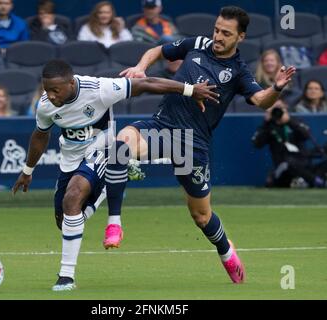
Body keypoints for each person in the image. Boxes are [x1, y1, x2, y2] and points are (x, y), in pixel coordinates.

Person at [104, 6, 296, 284]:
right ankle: (114, 223)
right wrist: (140, 67)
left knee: (201, 216)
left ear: (240, 37)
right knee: (121, 144)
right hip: (161, 128)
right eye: (217, 29)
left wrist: (276, 88)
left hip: (192, 146)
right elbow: (158, 50)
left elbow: (260, 100)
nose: (217, 36)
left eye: (226, 33)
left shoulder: (239, 72)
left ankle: (226, 250)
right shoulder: (197, 44)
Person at [11, 59, 220, 291]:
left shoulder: (99, 89)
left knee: (73, 198)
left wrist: (190, 90)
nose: (50, 95)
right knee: (66, 221)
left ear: (71, 83)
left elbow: (146, 83)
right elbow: (40, 135)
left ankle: (66, 276)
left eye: (55, 90)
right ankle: (113, 180)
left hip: (102, 151)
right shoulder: (46, 105)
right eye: (46, 89)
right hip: (70, 161)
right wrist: (27, 171)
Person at [252, 105, 326, 188]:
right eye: (273, 109)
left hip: (305, 165)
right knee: (289, 163)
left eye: (280, 109)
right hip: (284, 168)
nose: (277, 112)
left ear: (286, 110)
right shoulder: (268, 127)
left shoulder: (295, 122)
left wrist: (290, 121)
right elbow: (256, 143)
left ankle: (310, 180)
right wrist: (266, 123)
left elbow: (307, 135)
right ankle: (318, 182)